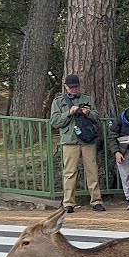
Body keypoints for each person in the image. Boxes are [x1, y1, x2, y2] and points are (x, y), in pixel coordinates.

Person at [49, 74, 104, 212]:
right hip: (69, 141)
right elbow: (55, 122)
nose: (74, 89)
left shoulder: (87, 99)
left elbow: (97, 117)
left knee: (92, 171)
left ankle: (96, 200)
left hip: (87, 140)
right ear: (66, 87)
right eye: (71, 87)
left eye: (76, 87)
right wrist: (68, 112)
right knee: (69, 173)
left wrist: (88, 113)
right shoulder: (58, 101)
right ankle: (68, 203)